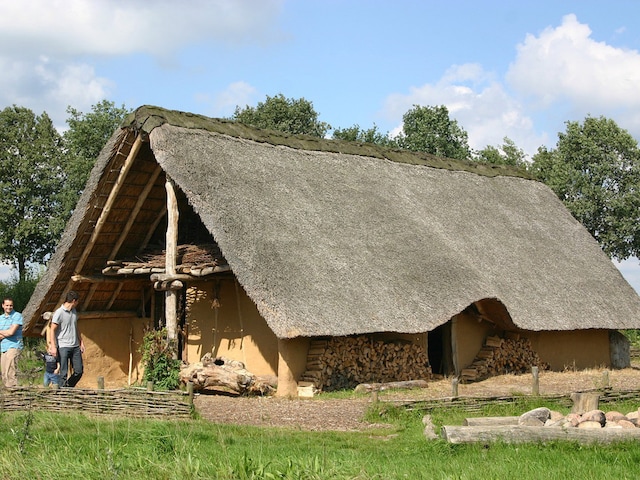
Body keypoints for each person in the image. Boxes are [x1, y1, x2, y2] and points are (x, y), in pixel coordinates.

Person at [49, 291, 85, 387]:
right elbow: (52, 329)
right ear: (73, 301)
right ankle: (62, 394)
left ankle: (68, 387)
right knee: (63, 373)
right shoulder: (59, 313)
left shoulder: (74, 312)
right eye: (77, 302)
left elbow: (76, 328)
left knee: (79, 371)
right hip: (63, 346)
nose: (77, 304)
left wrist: (81, 342)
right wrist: (53, 346)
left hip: (75, 346)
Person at [0, 297, 23, 387]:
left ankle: (14, 391)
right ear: (3, 305)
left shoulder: (17, 316)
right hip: (3, 348)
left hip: (14, 345)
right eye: (7, 305)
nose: (9, 307)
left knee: (11, 371)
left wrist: (6, 333)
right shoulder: (1, 318)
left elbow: (11, 332)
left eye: (11, 305)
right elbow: (7, 333)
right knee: (4, 372)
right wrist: (6, 332)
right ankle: (7, 393)